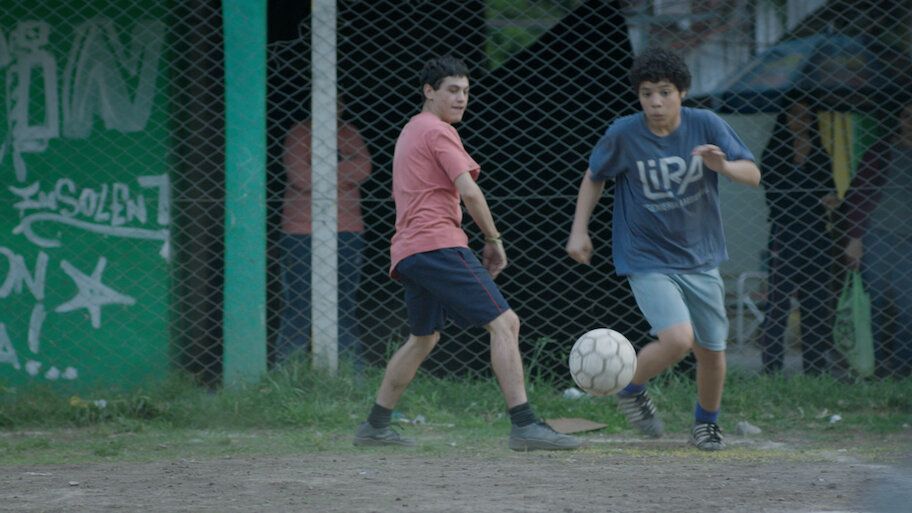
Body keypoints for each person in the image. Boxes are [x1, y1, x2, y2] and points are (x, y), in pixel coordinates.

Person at [353, 55, 581, 451]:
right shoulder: (437, 132)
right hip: (437, 244)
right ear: (429, 92)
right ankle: (525, 425)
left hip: (409, 252)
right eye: (452, 91)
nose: (461, 99)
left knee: (423, 338)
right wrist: (493, 240)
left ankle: (375, 426)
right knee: (506, 323)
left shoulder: (411, 129)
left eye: (465, 91)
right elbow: (469, 190)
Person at [566, 47, 760, 451]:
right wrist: (579, 231)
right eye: (647, 93)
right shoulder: (624, 133)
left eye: (665, 92)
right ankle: (630, 387)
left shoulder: (705, 125)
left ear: (683, 93)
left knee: (712, 351)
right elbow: (593, 176)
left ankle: (706, 424)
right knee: (677, 339)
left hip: (701, 256)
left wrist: (722, 167)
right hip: (647, 257)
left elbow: (752, 174)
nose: (655, 102)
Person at [275, 100, 372, 367]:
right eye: (328, 101)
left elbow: (364, 169)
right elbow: (300, 178)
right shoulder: (298, 133)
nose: (334, 107)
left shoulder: (349, 133)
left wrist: (320, 173)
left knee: (344, 304)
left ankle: (351, 372)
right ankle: (287, 369)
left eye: (340, 102)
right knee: (298, 303)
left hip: (347, 228)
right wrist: (344, 173)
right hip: (301, 230)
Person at [759, 99, 838, 375]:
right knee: (778, 303)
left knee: (816, 301)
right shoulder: (774, 152)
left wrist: (830, 199)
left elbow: (828, 189)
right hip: (786, 231)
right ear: (785, 118)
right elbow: (773, 194)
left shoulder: (819, 152)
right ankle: (771, 368)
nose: (801, 121)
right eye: (795, 115)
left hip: (816, 233)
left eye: (806, 116)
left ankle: (814, 367)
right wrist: (813, 196)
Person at [841, 101, 912, 378]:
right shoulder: (881, 153)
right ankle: (877, 366)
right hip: (878, 238)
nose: (911, 123)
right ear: (899, 120)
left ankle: (902, 369)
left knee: (907, 307)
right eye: (907, 116)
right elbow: (858, 197)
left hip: (908, 243)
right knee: (878, 304)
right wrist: (855, 238)